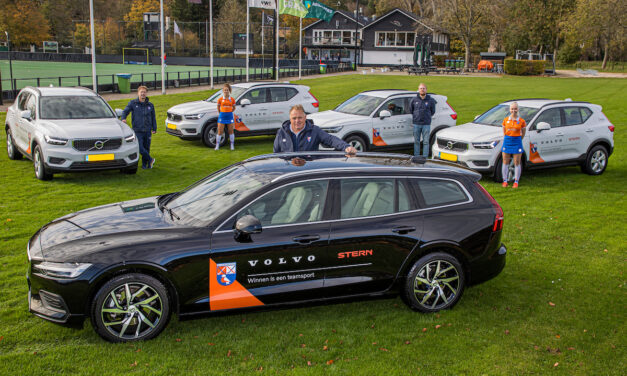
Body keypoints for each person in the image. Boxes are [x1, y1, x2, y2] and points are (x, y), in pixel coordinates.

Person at [274, 105, 358, 154]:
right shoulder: (281, 132)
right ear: (290, 118)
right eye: (294, 118)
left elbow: (331, 139)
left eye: (300, 118)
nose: (297, 121)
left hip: (308, 170)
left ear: (305, 117)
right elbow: (276, 154)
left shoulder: (314, 130)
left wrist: (346, 147)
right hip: (288, 172)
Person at [121, 86, 156, 169]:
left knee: (147, 148)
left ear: (146, 93)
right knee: (140, 148)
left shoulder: (150, 105)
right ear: (138, 93)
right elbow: (125, 111)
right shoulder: (133, 103)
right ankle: (151, 159)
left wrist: (154, 128)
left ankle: (145, 165)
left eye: (144, 92)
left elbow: (153, 117)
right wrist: (123, 118)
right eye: (141, 92)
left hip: (147, 130)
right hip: (137, 130)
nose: (143, 94)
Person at [501, 102, 526, 188]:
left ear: (518, 109)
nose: (514, 110)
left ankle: (516, 181)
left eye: (515, 109)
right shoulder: (505, 120)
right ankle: (505, 181)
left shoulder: (521, 121)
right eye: (512, 109)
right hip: (507, 141)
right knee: (505, 161)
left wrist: (518, 139)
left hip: (517, 141)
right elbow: (504, 131)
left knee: (517, 162)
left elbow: (523, 132)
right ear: (510, 109)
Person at [409, 83, 437, 157]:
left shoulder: (430, 100)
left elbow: (433, 111)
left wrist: (427, 117)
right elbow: (411, 110)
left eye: (424, 88)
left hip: (426, 124)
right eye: (421, 88)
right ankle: (416, 156)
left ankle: (425, 157)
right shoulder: (414, 100)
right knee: (416, 141)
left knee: (426, 142)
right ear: (418, 90)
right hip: (416, 124)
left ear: (426, 90)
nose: (422, 90)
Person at [215, 83, 236, 150]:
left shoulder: (232, 99)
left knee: (231, 131)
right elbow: (218, 108)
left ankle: (232, 145)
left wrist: (229, 111)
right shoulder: (220, 99)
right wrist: (222, 113)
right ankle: (217, 145)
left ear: (229, 91)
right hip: (222, 116)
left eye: (227, 90)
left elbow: (234, 108)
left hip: (229, 116)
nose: (226, 91)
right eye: (225, 90)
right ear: (223, 91)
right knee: (220, 131)